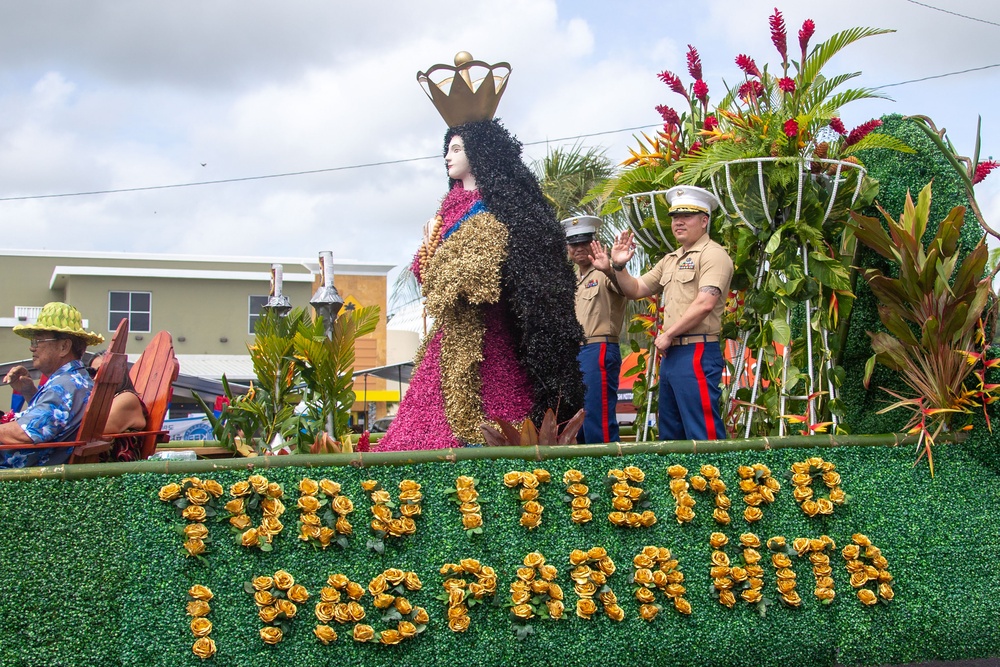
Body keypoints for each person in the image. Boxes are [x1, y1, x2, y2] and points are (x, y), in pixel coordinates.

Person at [377, 119, 585, 451]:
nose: (448, 156)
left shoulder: (504, 206)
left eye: (456, 148)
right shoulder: (446, 208)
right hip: (450, 335)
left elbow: (481, 278)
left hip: (492, 331)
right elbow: (424, 273)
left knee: (500, 413)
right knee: (425, 425)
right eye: (446, 149)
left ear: (480, 152)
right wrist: (429, 242)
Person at [592, 186, 733, 441]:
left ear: (704, 221)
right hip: (672, 354)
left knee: (703, 432)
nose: (678, 222)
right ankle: (681, 481)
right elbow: (635, 289)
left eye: (687, 216)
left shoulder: (714, 254)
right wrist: (619, 266)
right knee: (671, 433)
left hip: (696, 351)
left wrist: (668, 334)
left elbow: (705, 303)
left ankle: (714, 479)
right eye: (674, 216)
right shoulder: (670, 259)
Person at [0, 302, 104, 467]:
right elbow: (52, 418)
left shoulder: (64, 386)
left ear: (64, 346)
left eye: (38, 340)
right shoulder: (74, 379)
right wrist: (29, 392)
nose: (32, 348)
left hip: (26, 479)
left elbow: (26, 432)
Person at [563, 215, 627, 443]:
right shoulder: (571, 279)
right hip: (575, 352)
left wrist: (611, 268)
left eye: (584, 242)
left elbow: (625, 288)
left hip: (598, 347)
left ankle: (610, 473)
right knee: (575, 422)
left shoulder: (604, 272)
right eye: (573, 244)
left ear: (594, 243)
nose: (578, 248)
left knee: (596, 418)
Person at [87, 351, 149, 462]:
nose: (95, 377)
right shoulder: (99, 401)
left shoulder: (127, 397)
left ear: (119, 374)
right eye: (91, 372)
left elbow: (95, 428)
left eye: (102, 371)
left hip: (118, 472)